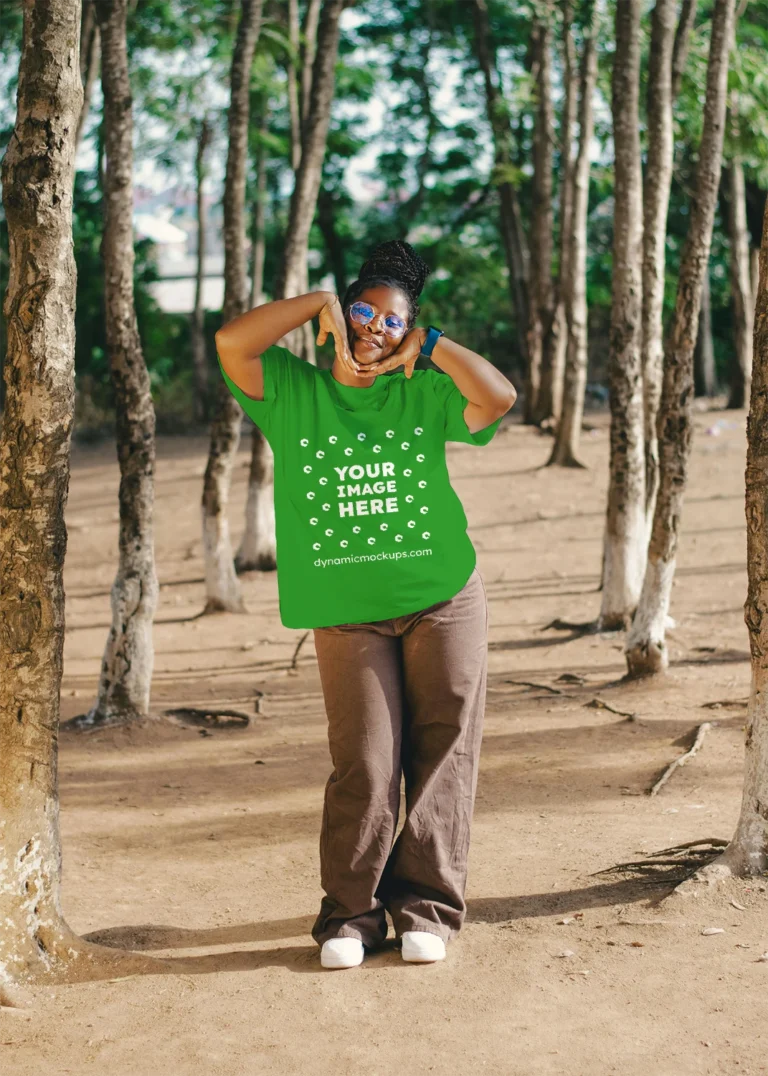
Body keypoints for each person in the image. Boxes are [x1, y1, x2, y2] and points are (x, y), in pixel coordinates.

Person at [215, 240, 516, 969]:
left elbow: (498, 396)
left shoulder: (422, 389)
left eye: (393, 320)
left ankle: (428, 909)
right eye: (361, 310)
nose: (373, 327)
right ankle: (350, 914)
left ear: (408, 330)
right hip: (347, 612)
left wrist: (432, 345)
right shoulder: (292, 391)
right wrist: (315, 302)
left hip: (441, 597)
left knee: (445, 752)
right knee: (366, 763)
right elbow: (231, 340)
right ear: (340, 316)